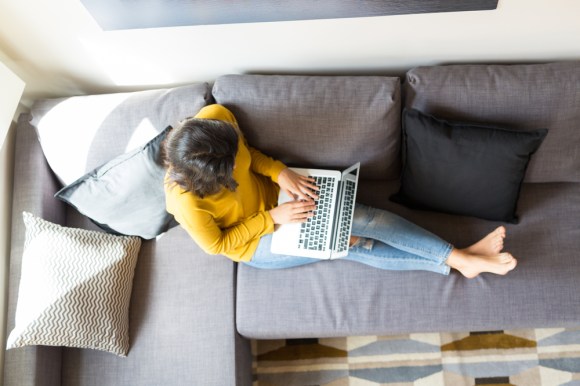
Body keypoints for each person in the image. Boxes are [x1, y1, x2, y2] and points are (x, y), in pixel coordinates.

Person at [163, 104, 517, 278]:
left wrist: (278, 170)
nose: (239, 166)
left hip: (281, 197)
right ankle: (459, 261)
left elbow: (248, 155)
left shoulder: (216, 118)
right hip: (256, 242)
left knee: (363, 217)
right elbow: (219, 246)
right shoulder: (188, 204)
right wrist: (270, 218)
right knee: (346, 241)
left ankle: (461, 258)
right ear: (213, 180)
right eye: (233, 175)